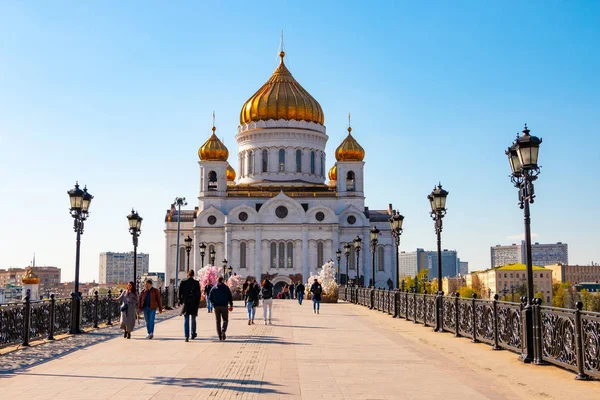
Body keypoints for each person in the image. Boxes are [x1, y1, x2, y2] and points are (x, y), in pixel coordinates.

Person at [179, 270, 201, 342]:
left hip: (186, 303)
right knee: (193, 319)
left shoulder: (183, 282)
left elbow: (180, 293)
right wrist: (197, 302)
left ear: (188, 274)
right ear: (193, 275)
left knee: (186, 319)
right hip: (194, 303)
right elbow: (199, 294)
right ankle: (193, 333)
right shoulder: (196, 283)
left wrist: (181, 301)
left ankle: (186, 336)